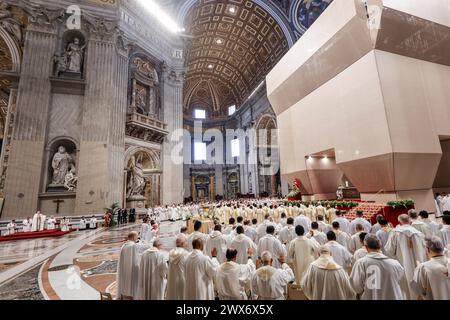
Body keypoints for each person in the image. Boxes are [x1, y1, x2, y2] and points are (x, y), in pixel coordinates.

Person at [385, 214, 427, 300]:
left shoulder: (395, 232)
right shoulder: (418, 233)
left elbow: (389, 250)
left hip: (403, 264)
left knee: (407, 289)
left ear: (399, 221)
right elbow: (425, 249)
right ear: (409, 221)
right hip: (419, 265)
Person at [350, 235, 406, 300]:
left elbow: (356, 286)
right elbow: (402, 284)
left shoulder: (360, 263)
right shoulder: (395, 264)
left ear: (366, 247)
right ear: (380, 246)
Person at [116, 231, 140, 299]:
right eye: (137, 236)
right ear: (133, 237)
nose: (137, 238)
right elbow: (136, 260)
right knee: (132, 285)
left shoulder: (124, 245)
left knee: (125, 284)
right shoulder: (133, 245)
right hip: (131, 271)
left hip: (124, 270)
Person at [167, 234, 190, 300]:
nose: (187, 243)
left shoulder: (171, 252)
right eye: (186, 241)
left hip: (172, 279)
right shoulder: (185, 253)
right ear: (182, 243)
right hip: (182, 279)